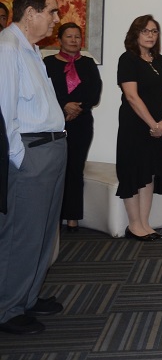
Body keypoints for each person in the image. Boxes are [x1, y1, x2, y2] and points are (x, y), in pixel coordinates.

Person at [0, 0, 66, 335]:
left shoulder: (32, 50)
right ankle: (8, 308)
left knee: (43, 232)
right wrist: (19, 159)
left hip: (51, 149)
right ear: (30, 13)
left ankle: (28, 295)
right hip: (31, 153)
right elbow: (4, 110)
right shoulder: (7, 48)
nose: (56, 18)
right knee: (21, 235)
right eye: (52, 11)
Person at [116, 15, 162, 241]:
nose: (150, 35)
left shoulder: (159, 60)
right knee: (133, 172)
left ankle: (145, 223)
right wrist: (153, 124)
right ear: (135, 34)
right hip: (136, 126)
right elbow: (131, 96)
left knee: (149, 173)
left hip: (159, 126)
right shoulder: (128, 59)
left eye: (154, 31)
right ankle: (134, 225)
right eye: (145, 31)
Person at [44, 23, 102, 232]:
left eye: (77, 37)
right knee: (55, 170)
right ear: (59, 39)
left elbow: (94, 93)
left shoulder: (88, 63)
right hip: (55, 123)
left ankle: (72, 217)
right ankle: (53, 217)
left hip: (81, 123)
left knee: (75, 170)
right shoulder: (48, 63)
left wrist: (76, 108)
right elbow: (45, 91)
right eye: (69, 36)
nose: (74, 40)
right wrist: (63, 106)